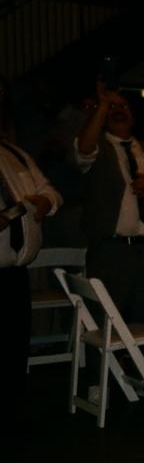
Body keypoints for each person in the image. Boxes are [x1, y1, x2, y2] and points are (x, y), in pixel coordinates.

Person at [74, 80, 144, 326]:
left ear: (133, 115)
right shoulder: (96, 146)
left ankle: (142, 366)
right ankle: (102, 367)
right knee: (106, 323)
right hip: (110, 251)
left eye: (123, 106)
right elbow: (84, 149)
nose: (118, 110)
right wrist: (102, 104)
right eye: (112, 107)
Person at [1, 74, 63, 420]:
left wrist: (42, 200)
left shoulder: (16, 154)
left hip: (16, 272)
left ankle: (12, 414)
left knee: (13, 349)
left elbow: (52, 192)